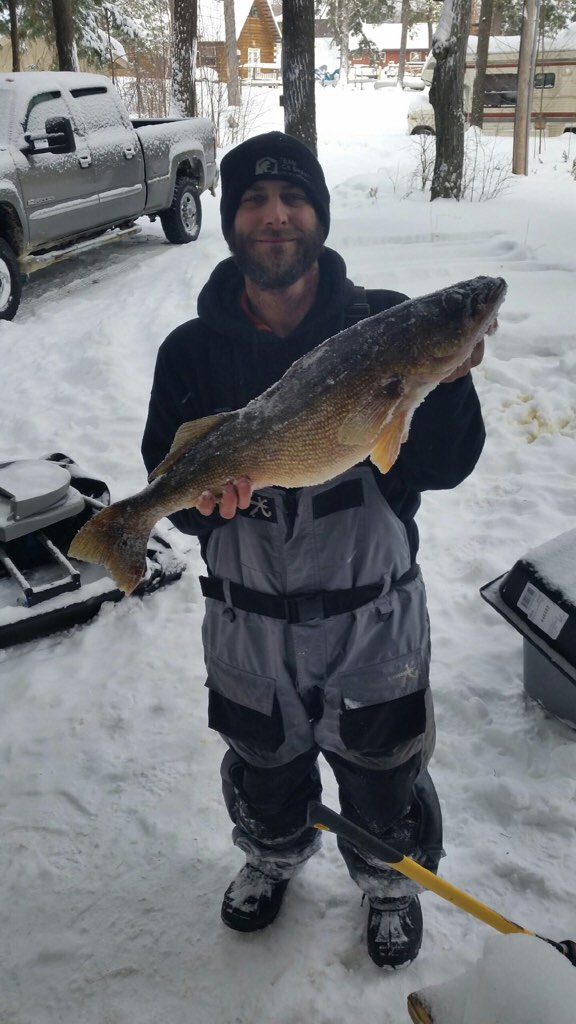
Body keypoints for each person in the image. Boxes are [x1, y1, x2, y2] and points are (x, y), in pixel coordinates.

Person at [141, 132, 486, 969]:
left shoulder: (384, 324)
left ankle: (390, 879)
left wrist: (447, 380)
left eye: (293, 198)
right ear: (231, 220)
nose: (276, 216)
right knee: (263, 768)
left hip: (371, 625)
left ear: (320, 215)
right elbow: (174, 493)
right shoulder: (189, 353)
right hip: (249, 630)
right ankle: (271, 854)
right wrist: (201, 512)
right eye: (254, 201)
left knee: (383, 772)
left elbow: (446, 465)